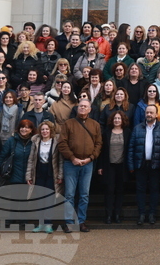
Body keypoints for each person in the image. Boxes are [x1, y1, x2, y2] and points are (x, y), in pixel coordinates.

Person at [59, 99, 102, 232]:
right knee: (70, 194)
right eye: (80, 106)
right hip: (71, 164)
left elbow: (99, 144)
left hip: (88, 164)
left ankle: (81, 221)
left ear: (90, 109)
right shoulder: (68, 124)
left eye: (85, 106)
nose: (82, 108)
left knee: (84, 194)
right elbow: (62, 143)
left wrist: (91, 158)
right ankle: (69, 222)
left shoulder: (95, 125)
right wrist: (72, 158)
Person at [129, 103, 160, 225]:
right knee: (140, 190)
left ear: (156, 114)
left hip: (155, 164)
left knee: (154, 189)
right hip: (141, 164)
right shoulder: (137, 128)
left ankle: (152, 214)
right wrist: (131, 165)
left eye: (151, 112)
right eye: (147, 112)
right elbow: (131, 147)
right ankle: (141, 214)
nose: (149, 114)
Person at [26, 121, 64, 233]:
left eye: (47, 129)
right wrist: (28, 175)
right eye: (42, 129)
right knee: (40, 200)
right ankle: (41, 224)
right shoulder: (36, 142)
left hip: (51, 174)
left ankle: (48, 224)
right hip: (38, 174)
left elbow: (60, 160)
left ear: (51, 130)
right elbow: (31, 159)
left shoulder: (56, 142)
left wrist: (60, 175)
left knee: (49, 200)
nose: (45, 131)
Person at [96, 111, 130, 224]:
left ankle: (117, 214)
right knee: (109, 190)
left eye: (119, 119)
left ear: (122, 120)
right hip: (109, 165)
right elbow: (102, 150)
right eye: (115, 118)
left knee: (120, 191)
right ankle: (109, 215)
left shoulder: (127, 132)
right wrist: (100, 166)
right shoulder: (106, 133)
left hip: (122, 166)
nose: (117, 120)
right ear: (112, 120)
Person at [0, 118, 34, 186]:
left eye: (27, 127)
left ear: (31, 130)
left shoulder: (34, 142)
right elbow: (2, 156)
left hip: (29, 179)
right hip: (13, 177)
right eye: (22, 127)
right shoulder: (12, 140)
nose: (24, 129)